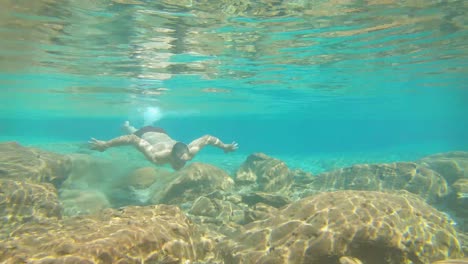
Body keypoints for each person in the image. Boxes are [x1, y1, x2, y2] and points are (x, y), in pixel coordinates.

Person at [89, 121, 238, 170]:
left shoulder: (189, 152)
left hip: (161, 132)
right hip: (145, 133)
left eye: (184, 161)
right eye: (180, 162)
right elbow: (132, 139)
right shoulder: (156, 156)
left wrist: (224, 146)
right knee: (132, 131)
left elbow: (207, 138)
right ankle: (127, 125)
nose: (182, 164)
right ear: (171, 156)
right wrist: (106, 144)